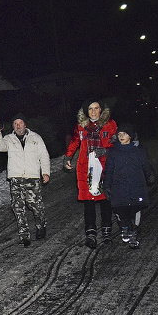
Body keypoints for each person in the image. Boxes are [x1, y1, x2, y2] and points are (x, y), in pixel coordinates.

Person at [64, 99, 117, 248]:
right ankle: (91, 233)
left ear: (101, 109)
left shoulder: (110, 124)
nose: (93, 112)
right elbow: (75, 141)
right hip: (86, 168)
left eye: (96, 108)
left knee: (106, 200)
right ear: (86, 111)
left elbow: (117, 143)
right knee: (89, 202)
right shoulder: (81, 126)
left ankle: (107, 231)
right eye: (90, 109)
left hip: (105, 166)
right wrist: (68, 156)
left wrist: (106, 151)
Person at [0, 113, 51, 246]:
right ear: (13, 126)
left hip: (32, 178)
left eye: (20, 123)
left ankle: (41, 226)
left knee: (36, 206)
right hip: (16, 178)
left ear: (25, 124)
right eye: (15, 123)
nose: (18, 126)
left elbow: (44, 156)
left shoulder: (35, 138)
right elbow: (0, 147)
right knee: (18, 207)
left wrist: (45, 172)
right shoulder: (9, 139)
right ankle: (24, 235)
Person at [103, 124, 155, 248]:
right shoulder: (113, 152)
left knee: (136, 208)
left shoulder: (138, 151)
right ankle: (124, 227)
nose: (121, 136)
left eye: (124, 134)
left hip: (136, 185)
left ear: (130, 136)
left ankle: (134, 232)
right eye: (119, 134)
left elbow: (145, 165)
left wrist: (150, 176)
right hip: (119, 186)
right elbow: (109, 170)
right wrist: (107, 185)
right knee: (121, 209)